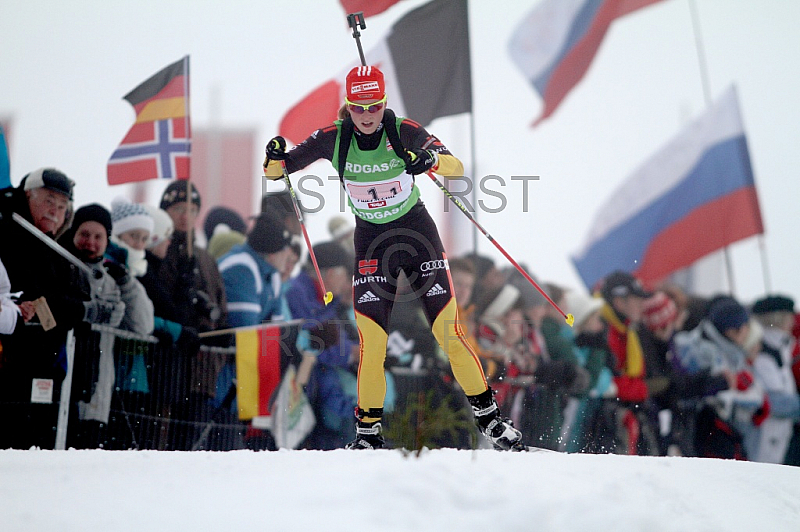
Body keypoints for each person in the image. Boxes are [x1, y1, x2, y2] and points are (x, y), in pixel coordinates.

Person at [263, 65, 523, 450]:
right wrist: (274, 156)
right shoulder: (333, 139)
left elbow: (455, 166)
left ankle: (490, 420)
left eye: (373, 107)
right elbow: (277, 172)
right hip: (372, 243)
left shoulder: (403, 131)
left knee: (447, 332)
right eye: (358, 108)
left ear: (383, 104)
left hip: (418, 237)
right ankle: (368, 433)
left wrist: (428, 160)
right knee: (373, 342)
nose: (366, 116)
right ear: (347, 108)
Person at [0, 168, 88, 449]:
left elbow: (63, 298)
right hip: (11, 364)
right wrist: (78, 310)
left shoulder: (55, 249)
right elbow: (37, 295)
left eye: (62, 206)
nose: (55, 211)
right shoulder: (10, 234)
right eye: (49, 201)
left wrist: (76, 308)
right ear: (28, 195)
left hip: (42, 363)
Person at [750, 295, 800, 463]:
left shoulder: (780, 347)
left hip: (778, 436)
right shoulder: (764, 351)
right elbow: (772, 401)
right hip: (766, 438)